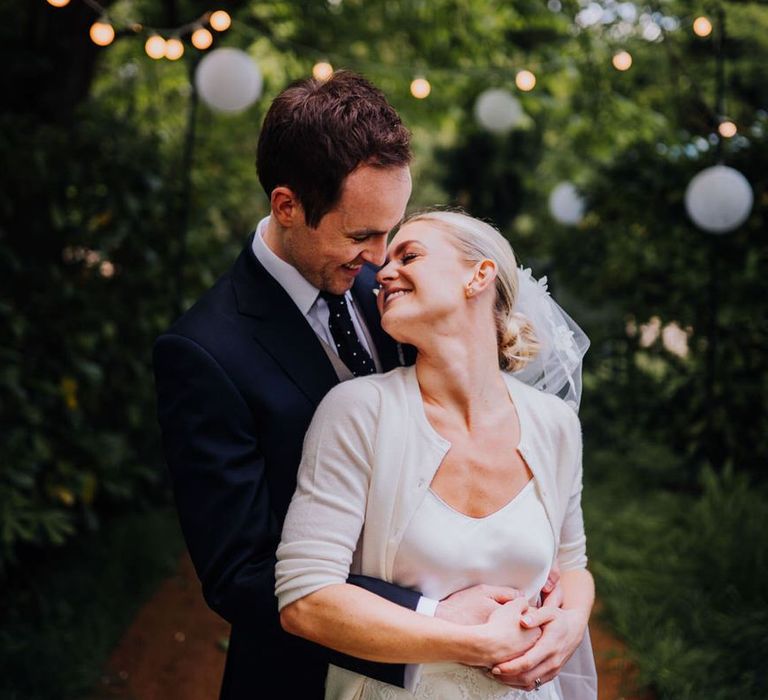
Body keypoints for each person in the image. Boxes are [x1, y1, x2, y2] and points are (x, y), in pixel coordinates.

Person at [153, 72, 549, 700]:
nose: (382, 258)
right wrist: (431, 619)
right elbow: (240, 573)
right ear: (287, 207)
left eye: (392, 231)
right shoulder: (203, 351)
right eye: (361, 234)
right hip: (305, 674)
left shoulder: (395, 293)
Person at [275, 210, 598, 699]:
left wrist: (571, 624)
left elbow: (572, 565)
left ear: (479, 275)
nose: (382, 272)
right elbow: (306, 599)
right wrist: (474, 643)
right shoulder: (359, 411)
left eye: (410, 255)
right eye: (386, 262)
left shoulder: (555, 425)